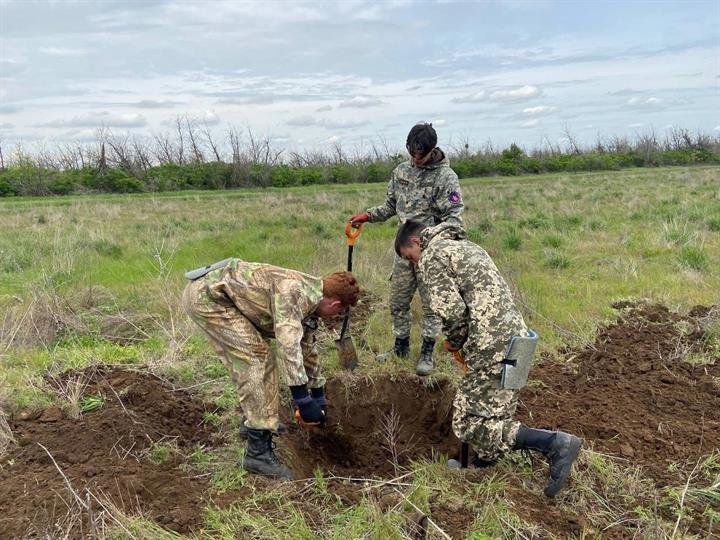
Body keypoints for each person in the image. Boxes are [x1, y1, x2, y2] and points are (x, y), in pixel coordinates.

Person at [394, 220, 582, 497]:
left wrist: (456, 344)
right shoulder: (467, 247)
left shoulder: (433, 255)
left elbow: (452, 311)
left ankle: (555, 443)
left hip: (490, 343)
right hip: (519, 338)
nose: (414, 264)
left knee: (468, 420)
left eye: (410, 257)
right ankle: (484, 463)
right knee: (495, 411)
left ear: (417, 242)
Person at [182, 258, 360, 480]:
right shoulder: (294, 293)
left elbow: (306, 348)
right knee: (258, 360)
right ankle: (257, 452)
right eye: (339, 312)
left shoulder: (311, 297)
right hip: (208, 299)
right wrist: (302, 400)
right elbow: (288, 346)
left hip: (219, 296)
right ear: (335, 305)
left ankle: (254, 422)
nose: (335, 317)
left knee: (255, 358)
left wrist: (318, 394)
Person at [348, 123, 464, 376]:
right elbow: (390, 205)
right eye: (411, 154)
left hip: (430, 254)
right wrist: (367, 216)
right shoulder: (401, 171)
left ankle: (427, 352)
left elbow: (455, 221)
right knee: (398, 301)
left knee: (432, 304)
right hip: (403, 253)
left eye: (420, 156)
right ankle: (400, 347)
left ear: (432, 150)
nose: (415, 160)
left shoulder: (446, 178)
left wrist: (430, 239)